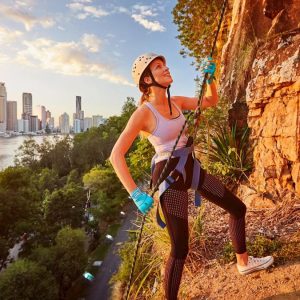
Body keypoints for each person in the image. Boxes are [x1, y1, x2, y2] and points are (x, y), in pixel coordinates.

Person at [109, 53, 274, 299]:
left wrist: (210, 78)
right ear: (146, 81)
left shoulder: (176, 101)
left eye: (164, 65)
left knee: (237, 208)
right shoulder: (144, 113)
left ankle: (243, 263)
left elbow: (210, 101)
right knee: (179, 248)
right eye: (157, 67)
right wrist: (135, 193)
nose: (165, 69)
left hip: (191, 168)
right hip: (169, 178)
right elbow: (116, 155)